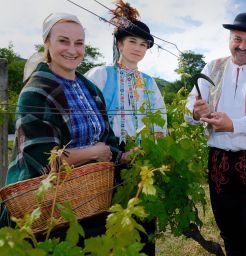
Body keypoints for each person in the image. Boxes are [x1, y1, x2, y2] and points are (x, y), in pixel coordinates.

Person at [2, 13, 132, 239]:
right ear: (47, 43)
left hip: (91, 199)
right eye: (63, 41)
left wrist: (123, 156)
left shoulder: (89, 89)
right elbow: (44, 159)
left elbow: (107, 138)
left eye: (79, 43)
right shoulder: (36, 92)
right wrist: (94, 152)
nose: (72, 49)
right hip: (49, 210)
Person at [185, 12, 246, 256]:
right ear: (230, 38)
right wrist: (197, 112)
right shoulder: (212, 67)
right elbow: (190, 109)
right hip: (219, 158)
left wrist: (232, 125)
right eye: (237, 39)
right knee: (228, 226)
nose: (242, 46)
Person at [85, 2, 166, 255]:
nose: (138, 49)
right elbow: (86, 118)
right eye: (133, 41)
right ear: (120, 44)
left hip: (141, 157)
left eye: (144, 45)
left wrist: (153, 148)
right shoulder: (100, 75)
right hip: (106, 157)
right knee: (106, 221)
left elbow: (160, 120)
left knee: (142, 221)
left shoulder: (150, 83)